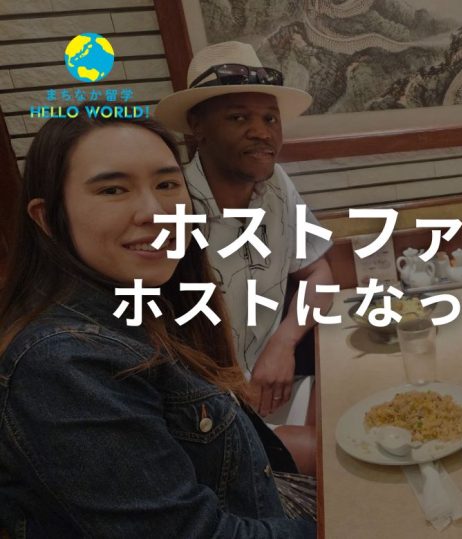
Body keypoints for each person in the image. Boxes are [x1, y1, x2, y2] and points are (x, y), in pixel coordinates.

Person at [0, 113, 316, 535]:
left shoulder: (151, 299)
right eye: (113, 190)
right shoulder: (63, 364)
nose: (155, 212)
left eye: (167, 184)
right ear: (46, 218)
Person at [154, 41, 333, 474]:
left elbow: (320, 272)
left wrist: (284, 342)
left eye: (270, 119)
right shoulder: (172, 208)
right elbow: (161, 350)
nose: (261, 132)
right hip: (208, 418)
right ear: (197, 126)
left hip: (279, 386)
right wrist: (235, 392)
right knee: (340, 458)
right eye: (238, 118)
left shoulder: (276, 184)